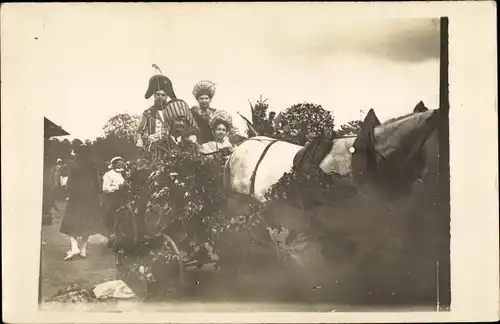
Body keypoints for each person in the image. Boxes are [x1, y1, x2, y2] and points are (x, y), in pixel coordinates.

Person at [136, 74, 198, 159]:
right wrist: (145, 138)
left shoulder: (174, 111)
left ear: (167, 96)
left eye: (163, 95)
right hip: (155, 149)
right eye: (158, 94)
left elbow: (186, 126)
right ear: (154, 95)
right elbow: (139, 132)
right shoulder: (148, 113)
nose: (160, 97)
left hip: (173, 147)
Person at [59, 144, 103, 260]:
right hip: (90, 198)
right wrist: (97, 195)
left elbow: (70, 182)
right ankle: (83, 249)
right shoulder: (92, 164)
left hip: (76, 197)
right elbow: (97, 182)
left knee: (71, 222)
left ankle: (74, 248)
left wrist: (68, 193)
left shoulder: (73, 164)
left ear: (77, 153)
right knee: (87, 223)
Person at [102, 156, 127, 248]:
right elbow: (105, 188)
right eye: (118, 164)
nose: (120, 165)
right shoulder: (108, 174)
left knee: (122, 218)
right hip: (111, 198)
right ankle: (111, 238)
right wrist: (117, 187)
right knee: (111, 219)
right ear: (113, 165)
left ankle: (120, 238)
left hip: (122, 198)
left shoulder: (123, 174)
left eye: (121, 164)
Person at [190, 80, 218, 144]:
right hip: (196, 142)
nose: (204, 101)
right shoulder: (193, 112)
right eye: (201, 99)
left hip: (212, 143)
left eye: (206, 98)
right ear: (198, 100)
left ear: (210, 99)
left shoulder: (214, 113)